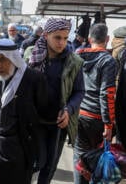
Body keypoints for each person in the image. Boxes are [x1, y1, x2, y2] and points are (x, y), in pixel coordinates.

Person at [0, 38, 48, 184]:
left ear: (13, 59)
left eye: (2, 60)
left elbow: (41, 110)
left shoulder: (32, 79)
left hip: (19, 145)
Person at [26, 17, 85, 184]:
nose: (62, 43)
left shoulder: (74, 62)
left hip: (57, 124)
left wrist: (69, 110)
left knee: (49, 167)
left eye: (65, 38)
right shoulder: (32, 56)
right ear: (46, 35)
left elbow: (80, 91)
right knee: (33, 162)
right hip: (34, 122)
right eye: (57, 37)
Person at [73, 23, 117, 184]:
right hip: (97, 118)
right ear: (107, 39)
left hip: (78, 113)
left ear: (90, 38)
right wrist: (108, 123)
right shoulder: (107, 61)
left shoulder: (77, 55)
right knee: (97, 157)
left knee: (79, 155)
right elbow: (107, 94)